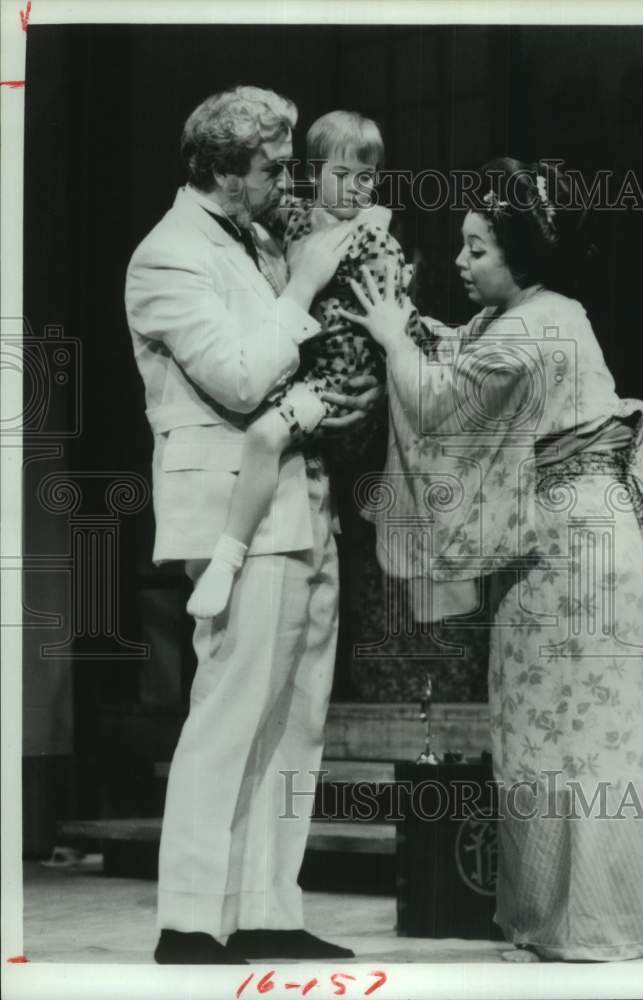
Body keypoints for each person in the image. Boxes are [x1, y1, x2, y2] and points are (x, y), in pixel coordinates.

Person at [342, 157, 643, 961]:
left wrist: (391, 336)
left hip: (565, 547)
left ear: (520, 255)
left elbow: (436, 401)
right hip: (588, 536)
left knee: (556, 728)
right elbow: (456, 350)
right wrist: (410, 325)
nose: (460, 263)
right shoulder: (548, 313)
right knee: (590, 729)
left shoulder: (525, 330)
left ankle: (588, 922)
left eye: (476, 249)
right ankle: (609, 915)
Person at [125, 85, 380, 965]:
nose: (287, 179)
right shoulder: (166, 257)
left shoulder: (262, 236)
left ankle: (269, 906)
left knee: (298, 716)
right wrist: (304, 282)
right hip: (238, 510)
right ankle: (190, 920)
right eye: (272, 166)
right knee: (229, 712)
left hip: (305, 501)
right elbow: (238, 378)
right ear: (225, 171)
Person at [188, 109, 422, 620]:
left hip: (340, 381)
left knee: (265, 437)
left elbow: (404, 322)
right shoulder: (294, 218)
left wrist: (387, 377)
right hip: (301, 371)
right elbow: (243, 200)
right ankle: (232, 559)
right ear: (314, 174)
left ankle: (227, 558)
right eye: (342, 174)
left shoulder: (373, 241)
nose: (356, 188)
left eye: (367, 177)